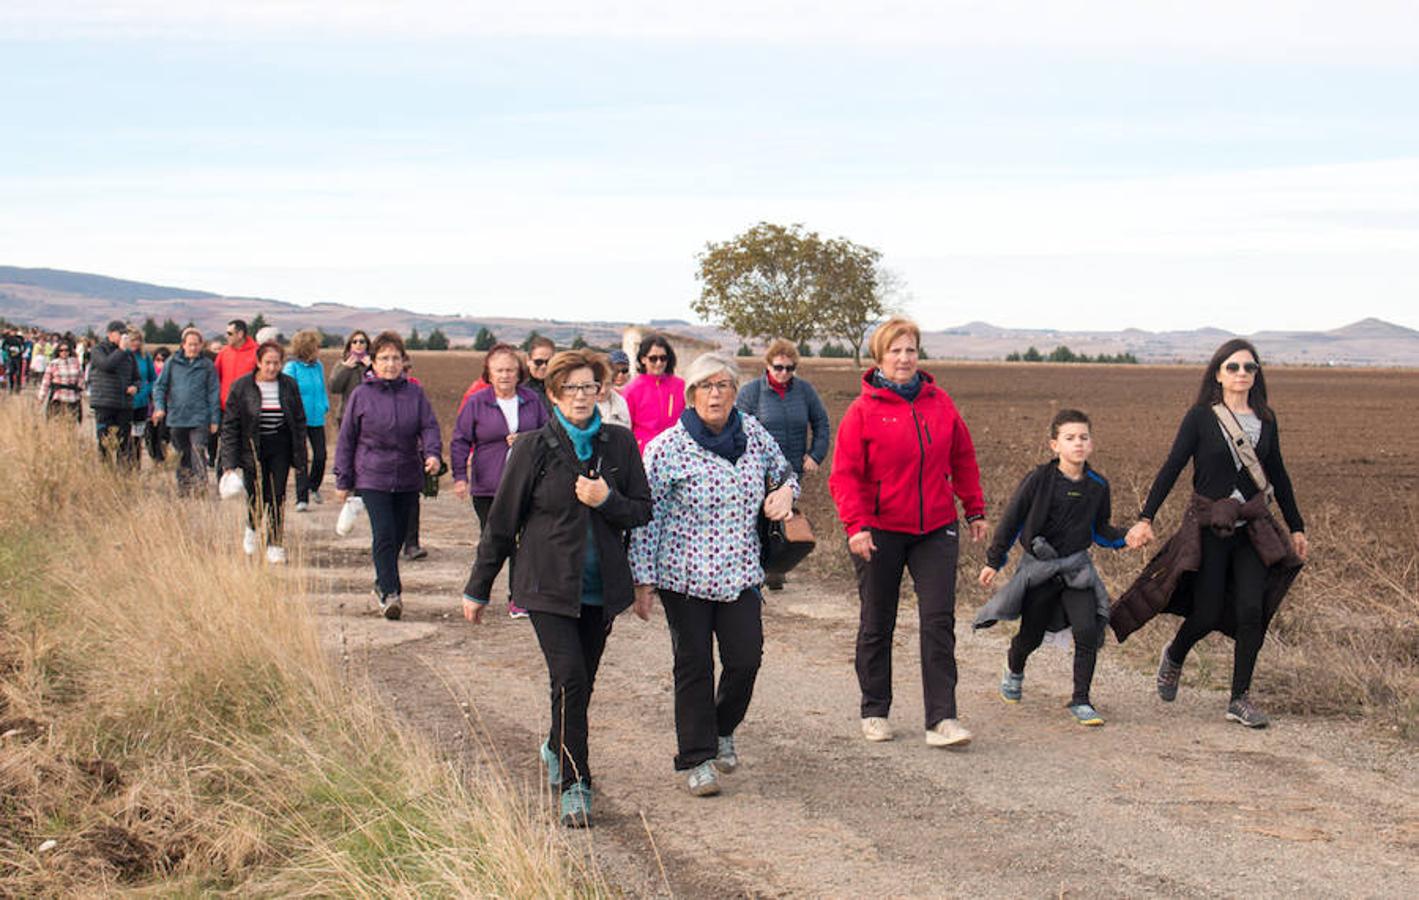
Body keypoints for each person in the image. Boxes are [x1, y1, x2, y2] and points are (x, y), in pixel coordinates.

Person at [462, 349, 652, 828]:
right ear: (553, 394)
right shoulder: (532, 447)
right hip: (546, 585)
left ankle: (554, 744)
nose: (582, 397)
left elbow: (642, 511)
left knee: (579, 685)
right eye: (571, 388)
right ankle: (576, 784)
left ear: (602, 391)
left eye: (590, 387)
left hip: (600, 587)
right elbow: (502, 523)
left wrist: (608, 500)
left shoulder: (620, 445)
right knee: (569, 677)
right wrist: (478, 587)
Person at [1113, 339, 1308, 729]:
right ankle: (1176, 653)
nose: (1241, 374)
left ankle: (1239, 698)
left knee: (1252, 610)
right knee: (1204, 612)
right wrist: (1145, 517)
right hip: (1209, 528)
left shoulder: (1266, 420)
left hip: (1252, 528)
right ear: (1218, 373)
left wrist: (1297, 525)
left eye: (1249, 368)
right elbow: (1172, 467)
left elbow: (1279, 475)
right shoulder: (1200, 418)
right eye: (1233, 367)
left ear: (1257, 374)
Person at [629, 352, 797, 797]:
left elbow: (786, 473)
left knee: (746, 659)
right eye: (706, 386)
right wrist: (643, 580)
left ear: (734, 391)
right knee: (694, 666)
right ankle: (697, 758)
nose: (716, 393)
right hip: (683, 578)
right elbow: (648, 518)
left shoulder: (755, 435)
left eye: (723, 385)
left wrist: (784, 493)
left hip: (740, 573)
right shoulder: (666, 448)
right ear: (690, 395)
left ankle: (723, 729)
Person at [828, 316, 987, 748]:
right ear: (880, 356)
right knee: (877, 622)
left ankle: (942, 719)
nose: (904, 358)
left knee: (938, 620)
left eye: (911, 349)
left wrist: (974, 509)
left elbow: (963, 458)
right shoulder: (863, 411)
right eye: (895, 350)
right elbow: (844, 477)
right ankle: (875, 709)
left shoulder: (940, 404)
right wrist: (856, 527)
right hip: (879, 530)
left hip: (935, 527)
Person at [974, 409, 1129, 726]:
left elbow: (1101, 531)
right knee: (1030, 636)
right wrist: (994, 560)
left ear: (1092, 444)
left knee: (1088, 630)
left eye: (1084, 438)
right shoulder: (1039, 480)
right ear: (1054, 445)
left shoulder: (1098, 485)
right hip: (1040, 569)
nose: (1078, 444)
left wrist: (1128, 538)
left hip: (1076, 570)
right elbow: (1012, 521)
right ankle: (1014, 667)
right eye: (1070, 438)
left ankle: (1081, 700)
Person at [332, 332, 442, 620]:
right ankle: (391, 593)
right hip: (372, 475)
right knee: (383, 534)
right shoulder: (361, 395)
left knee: (397, 536)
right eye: (384, 358)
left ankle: (382, 581)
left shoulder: (415, 394)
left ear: (404, 361)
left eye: (395, 358)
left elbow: (429, 426)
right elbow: (347, 439)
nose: (390, 364)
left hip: (407, 474)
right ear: (373, 363)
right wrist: (343, 480)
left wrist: (432, 454)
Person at [451, 343, 549, 617]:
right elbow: (460, 440)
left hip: (527, 483)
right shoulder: (476, 402)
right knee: (494, 539)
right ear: (489, 373)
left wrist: (526, 440)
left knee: (525, 540)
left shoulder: (532, 401)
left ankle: (518, 597)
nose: (505, 375)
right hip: (488, 485)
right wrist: (460, 476)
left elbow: (549, 435)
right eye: (499, 370)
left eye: (510, 370)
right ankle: (479, 591)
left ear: (519, 372)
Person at [734, 338, 831, 590]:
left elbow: (821, 423)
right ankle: (751, 570)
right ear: (768, 365)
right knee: (756, 519)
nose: (783, 373)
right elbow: (737, 428)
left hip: (791, 470)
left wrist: (816, 455)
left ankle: (775, 569)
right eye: (778, 367)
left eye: (789, 368)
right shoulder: (751, 392)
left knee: (782, 518)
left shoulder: (805, 392)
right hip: (758, 471)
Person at [220, 341, 308, 564]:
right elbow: (230, 425)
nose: (271, 368)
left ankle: (275, 544)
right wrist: (228, 463)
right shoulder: (241, 387)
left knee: (277, 496)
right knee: (256, 495)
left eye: (276, 363)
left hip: (280, 445)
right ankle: (251, 528)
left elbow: (298, 420)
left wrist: (300, 455)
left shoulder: (289, 385)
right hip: (252, 447)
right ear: (258, 362)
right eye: (267, 363)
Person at [153, 328, 220, 496]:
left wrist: (214, 419)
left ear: (201, 345)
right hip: (177, 417)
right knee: (181, 454)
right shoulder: (172, 363)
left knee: (198, 452)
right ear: (183, 345)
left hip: (199, 417)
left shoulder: (207, 366)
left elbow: (213, 392)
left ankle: (200, 489)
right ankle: (183, 488)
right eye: (190, 344)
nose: (193, 348)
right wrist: (160, 407)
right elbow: (160, 386)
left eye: (196, 345)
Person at [283, 330, 331, 511]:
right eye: (316, 347)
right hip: (298, 420)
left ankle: (313, 486)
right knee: (301, 458)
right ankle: (301, 498)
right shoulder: (291, 368)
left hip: (317, 417)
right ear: (306, 349)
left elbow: (321, 388)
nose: (318, 350)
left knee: (321, 455)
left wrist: (325, 404)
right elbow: (287, 393)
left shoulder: (318, 366)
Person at [622, 333, 685, 453]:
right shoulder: (632, 390)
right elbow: (626, 427)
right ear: (643, 359)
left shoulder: (680, 386)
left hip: (676, 451)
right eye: (653, 358)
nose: (659, 363)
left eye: (663, 358)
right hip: (644, 453)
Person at [88, 321, 140, 466]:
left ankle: (123, 473)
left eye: (125, 334)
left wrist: (135, 387)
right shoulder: (98, 350)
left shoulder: (129, 355)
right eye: (120, 333)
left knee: (124, 441)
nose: (124, 337)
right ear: (110, 334)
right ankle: (106, 472)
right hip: (105, 402)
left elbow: (137, 378)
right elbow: (106, 365)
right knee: (105, 440)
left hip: (124, 403)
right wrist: (121, 351)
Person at [126, 330, 157, 470]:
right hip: (125, 402)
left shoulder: (145, 357)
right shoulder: (122, 356)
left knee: (137, 437)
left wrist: (146, 390)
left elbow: (153, 379)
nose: (135, 343)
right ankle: (125, 466)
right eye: (133, 340)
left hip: (142, 402)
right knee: (125, 436)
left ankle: (136, 466)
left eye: (138, 340)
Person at [328, 330, 371, 427]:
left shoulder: (375, 364)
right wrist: (345, 368)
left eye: (362, 341)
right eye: (354, 342)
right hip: (347, 414)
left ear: (367, 345)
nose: (358, 344)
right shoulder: (342, 363)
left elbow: (382, 386)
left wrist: (370, 368)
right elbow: (334, 388)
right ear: (350, 345)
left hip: (370, 414)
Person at [37, 338, 83, 421]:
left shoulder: (76, 363)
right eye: (61, 350)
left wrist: (79, 389)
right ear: (58, 352)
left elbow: (80, 378)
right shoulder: (53, 364)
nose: (64, 352)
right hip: (58, 397)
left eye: (66, 350)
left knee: (71, 424)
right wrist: (41, 397)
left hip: (73, 398)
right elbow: (46, 382)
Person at [595, 353, 632, 429]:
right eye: (599, 384)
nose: (603, 391)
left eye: (608, 384)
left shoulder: (621, 402)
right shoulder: (581, 402)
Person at [525, 336, 556, 411]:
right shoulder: (520, 393)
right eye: (538, 362)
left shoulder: (561, 390)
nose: (544, 366)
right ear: (528, 361)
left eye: (548, 362)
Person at [1, 328, 25, 393]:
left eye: (15, 331)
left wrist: (20, 350)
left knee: (18, 373)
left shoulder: (20, 338)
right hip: (10, 358)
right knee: (10, 372)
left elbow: (23, 346)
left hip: (18, 358)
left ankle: (17, 388)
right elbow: (3, 347)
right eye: (12, 331)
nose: (13, 333)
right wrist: (9, 349)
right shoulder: (8, 339)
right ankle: (10, 388)